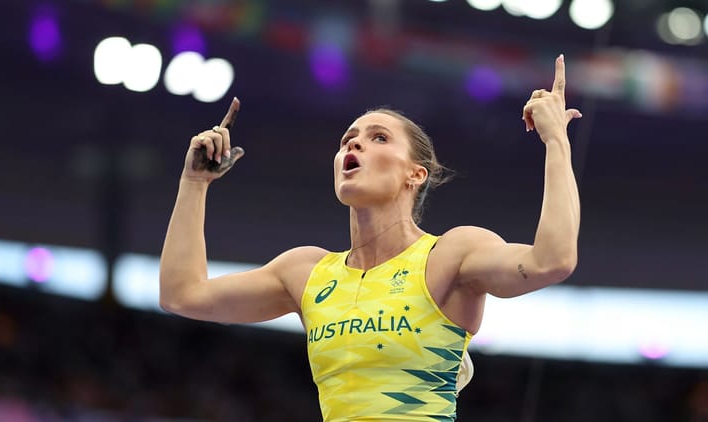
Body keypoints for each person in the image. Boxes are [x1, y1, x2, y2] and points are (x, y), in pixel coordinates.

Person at [159, 54, 581, 421]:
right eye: (348, 140)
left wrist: (555, 140)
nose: (353, 145)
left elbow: (551, 260)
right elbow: (182, 294)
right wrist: (194, 183)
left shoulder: (449, 256)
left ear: (415, 175)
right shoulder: (305, 272)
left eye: (378, 137)